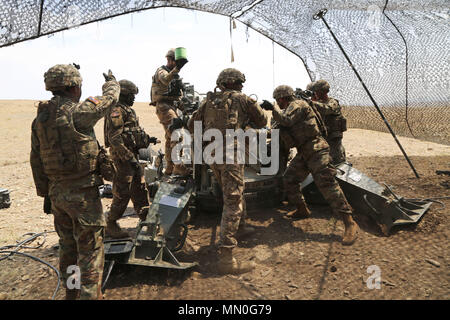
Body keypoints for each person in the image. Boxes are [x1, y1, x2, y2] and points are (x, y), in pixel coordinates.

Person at [30, 64, 120, 299]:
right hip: (83, 198)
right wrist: (111, 81)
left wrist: (46, 195)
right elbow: (110, 98)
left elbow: (36, 160)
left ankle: (71, 293)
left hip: (58, 195)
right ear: (73, 87)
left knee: (68, 251)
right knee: (90, 254)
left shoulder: (40, 119)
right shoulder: (79, 113)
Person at [187, 68, 268, 274]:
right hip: (232, 156)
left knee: (231, 194)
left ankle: (240, 228)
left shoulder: (208, 101)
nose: (242, 86)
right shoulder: (243, 99)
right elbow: (262, 121)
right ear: (236, 83)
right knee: (233, 201)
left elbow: (191, 124)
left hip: (212, 155)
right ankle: (226, 258)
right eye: (240, 83)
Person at [260, 85, 358, 245]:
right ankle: (302, 209)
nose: (278, 103)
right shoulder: (290, 108)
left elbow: (286, 120)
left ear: (282, 98)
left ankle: (349, 222)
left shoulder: (298, 105)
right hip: (304, 152)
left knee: (327, 184)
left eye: (278, 100)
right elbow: (280, 127)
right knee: (290, 179)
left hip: (316, 149)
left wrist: (272, 109)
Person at [104, 79, 159, 238]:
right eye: (131, 95)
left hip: (131, 156)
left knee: (139, 189)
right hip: (123, 158)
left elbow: (131, 133)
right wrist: (129, 158)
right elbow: (115, 138)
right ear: (124, 95)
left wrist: (148, 139)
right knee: (123, 191)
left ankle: (146, 220)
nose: (134, 98)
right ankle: (111, 223)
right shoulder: (117, 111)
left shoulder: (127, 110)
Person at [150, 48, 188, 175]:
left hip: (172, 105)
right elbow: (165, 79)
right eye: (176, 62)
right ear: (170, 60)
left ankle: (170, 168)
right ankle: (178, 166)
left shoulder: (174, 75)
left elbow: (178, 94)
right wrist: (177, 69)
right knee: (176, 134)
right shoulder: (161, 71)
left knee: (169, 137)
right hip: (164, 106)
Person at [310, 80, 347, 165]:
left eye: (316, 91)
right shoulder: (317, 103)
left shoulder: (333, 102)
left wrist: (311, 103)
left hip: (333, 136)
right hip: (323, 136)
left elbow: (327, 109)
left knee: (337, 160)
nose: (315, 93)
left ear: (322, 91)